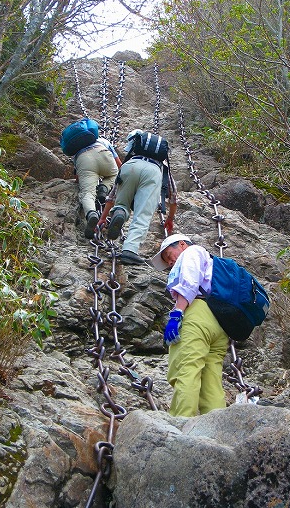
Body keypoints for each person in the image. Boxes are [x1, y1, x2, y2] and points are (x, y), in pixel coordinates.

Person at [150, 234, 229, 417]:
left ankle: (180, 423)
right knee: (211, 381)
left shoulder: (192, 251)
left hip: (197, 314)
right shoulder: (210, 261)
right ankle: (217, 426)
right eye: (167, 260)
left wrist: (177, 314)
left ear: (183, 244)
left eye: (170, 255)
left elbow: (189, 282)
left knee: (186, 370)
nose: (170, 262)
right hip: (219, 321)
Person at [97, 129, 177, 265]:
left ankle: (120, 212)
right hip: (152, 172)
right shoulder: (163, 165)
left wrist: (103, 217)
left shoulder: (131, 158)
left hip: (129, 168)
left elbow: (113, 195)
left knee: (121, 204)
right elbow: (173, 195)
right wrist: (169, 218)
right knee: (142, 215)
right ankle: (130, 250)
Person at [74, 135, 122, 239]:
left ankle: (91, 214)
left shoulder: (77, 148)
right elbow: (119, 165)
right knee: (115, 175)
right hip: (103, 153)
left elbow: (77, 177)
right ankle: (104, 188)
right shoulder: (103, 141)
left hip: (84, 160)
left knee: (87, 193)